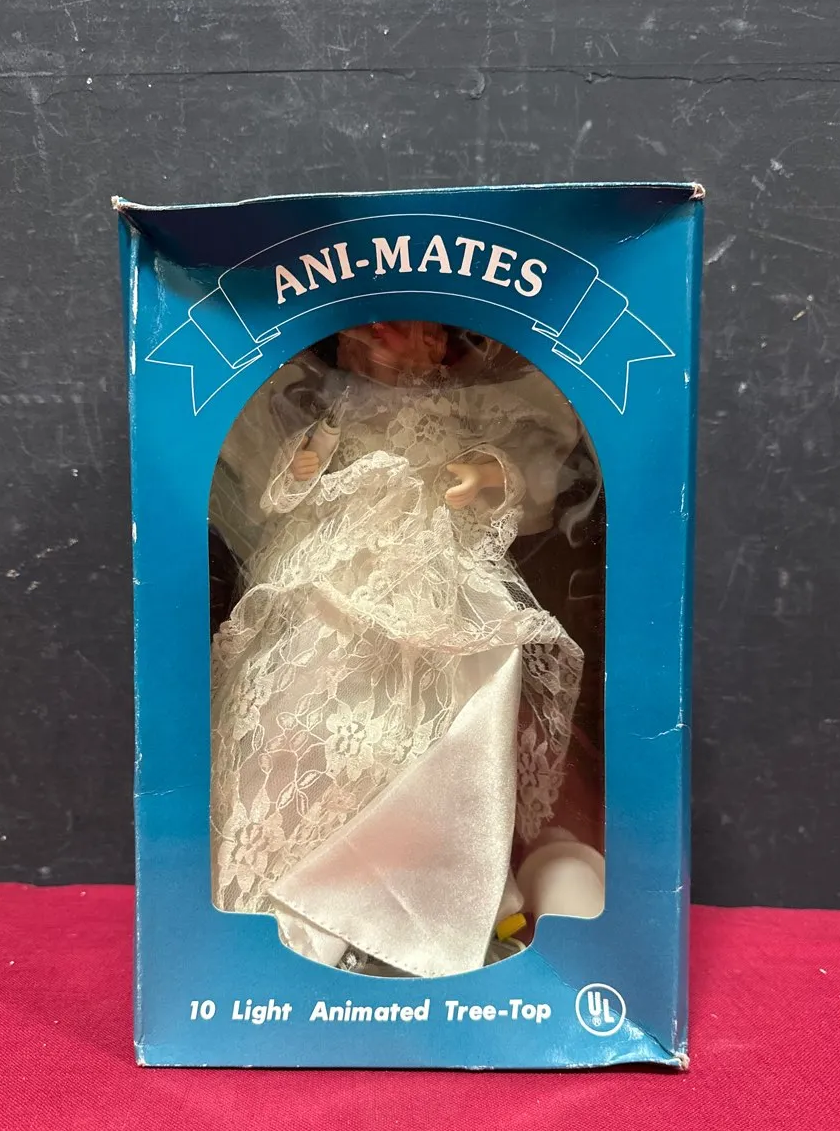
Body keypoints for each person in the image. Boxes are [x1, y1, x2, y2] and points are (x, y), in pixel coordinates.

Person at [210, 320, 601, 977]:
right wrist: (304, 465)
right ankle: (286, 880)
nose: (370, 342)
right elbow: (286, 487)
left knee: (446, 698)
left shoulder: (453, 404)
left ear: (435, 347)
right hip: (340, 565)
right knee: (302, 704)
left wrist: (482, 475)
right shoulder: (335, 408)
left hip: (426, 563)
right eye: (358, 337)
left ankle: (424, 890)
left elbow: (509, 466)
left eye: (391, 333)